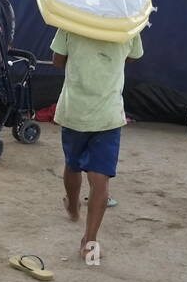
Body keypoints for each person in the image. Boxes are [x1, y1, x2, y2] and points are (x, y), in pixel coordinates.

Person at [51, 26, 143, 261]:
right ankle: (89, 242)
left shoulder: (70, 21)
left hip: (75, 110)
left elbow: (57, 60)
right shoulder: (128, 23)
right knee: (100, 179)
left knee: (73, 164)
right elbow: (133, 56)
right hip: (108, 114)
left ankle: (73, 208)